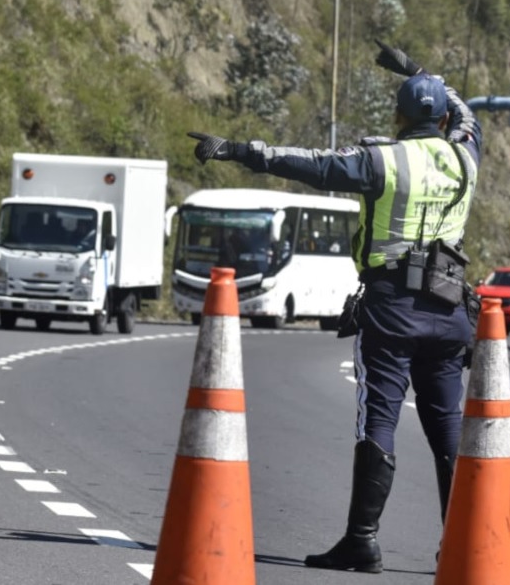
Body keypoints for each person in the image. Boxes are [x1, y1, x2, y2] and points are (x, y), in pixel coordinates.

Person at [187, 40, 482, 573]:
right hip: (450, 307)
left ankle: (362, 540)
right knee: (449, 429)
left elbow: (308, 165)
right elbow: (466, 112)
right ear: (439, 118)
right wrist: (418, 68)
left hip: (392, 307)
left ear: (397, 115)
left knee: (380, 418)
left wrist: (234, 148)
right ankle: (459, 546)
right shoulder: (466, 152)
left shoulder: (380, 161)